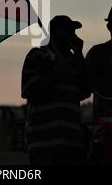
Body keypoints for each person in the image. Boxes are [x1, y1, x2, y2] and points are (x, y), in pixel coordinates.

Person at [21, 16, 91, 165]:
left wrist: (79, 54)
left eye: (73, 32)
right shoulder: (37, 55)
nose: (72, 36)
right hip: (43, 144)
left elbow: (86, 91)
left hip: (72, 143)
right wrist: (57, 72)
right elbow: (28, 89)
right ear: (54, 33)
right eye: (68, 31)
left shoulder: (75, 61)